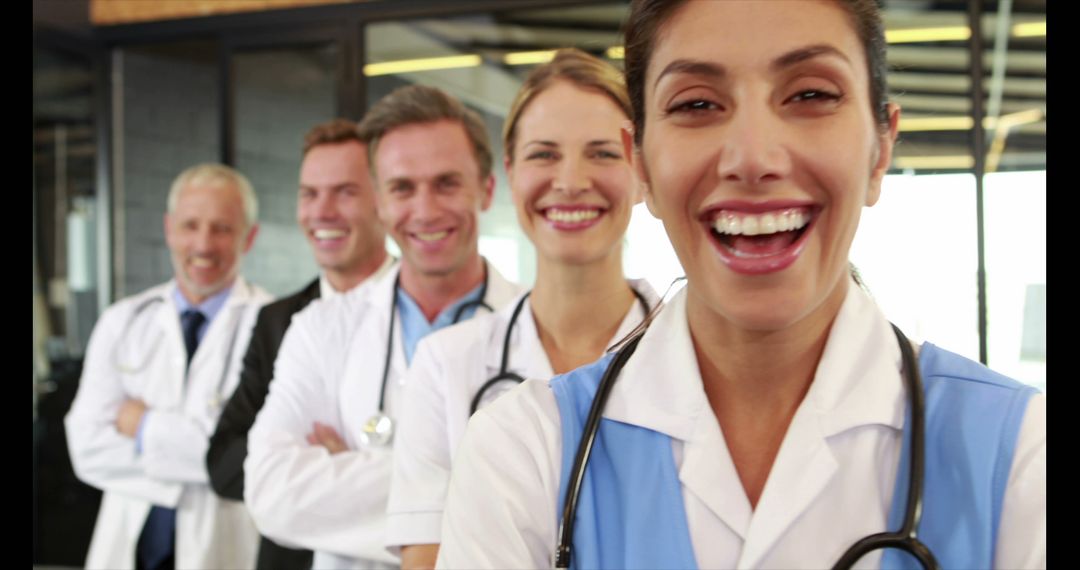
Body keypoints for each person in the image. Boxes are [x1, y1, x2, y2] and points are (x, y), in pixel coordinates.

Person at [437, 1, 1046, 569]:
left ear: (880, 148)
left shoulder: (1022, 453)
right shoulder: (523, 453)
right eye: (697, 105)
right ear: (642, 161)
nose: (752, 157)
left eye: (811, 94)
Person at [384, 48, 659, 569]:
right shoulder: (447, 365)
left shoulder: (696, 347)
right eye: (543, 154)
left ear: (641, 171)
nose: (571, 180)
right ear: (509, 172)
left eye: (602, 153)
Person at [244, 85, 522, 569]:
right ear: (378, 200)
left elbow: (557, 506)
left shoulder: (536, 326)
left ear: (487, 189)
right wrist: (476, 481)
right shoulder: (319, 328)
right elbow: (271, 493)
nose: (426, 210)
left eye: (447, 183)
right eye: (402, 188)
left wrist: (351, 467)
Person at [206, 119, 393, 570]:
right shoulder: (278, 321)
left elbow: (457, 483)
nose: (321, 211)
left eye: (344, 192)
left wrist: (312, 470)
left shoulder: (426, 311)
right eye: (309, 194)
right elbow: (225, 465)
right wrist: (373, 474)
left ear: (384, 201)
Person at [65, 163, 273, 570]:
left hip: (224, 550)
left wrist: (144, 427)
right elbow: (86, 446)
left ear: (249, 237)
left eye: (222, 228)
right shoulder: (123, 319)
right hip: (129, 550)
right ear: (168, 229)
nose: (203, 244)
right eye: (190, 225)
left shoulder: (273, 326)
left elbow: (255, 461)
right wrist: (203, 455)